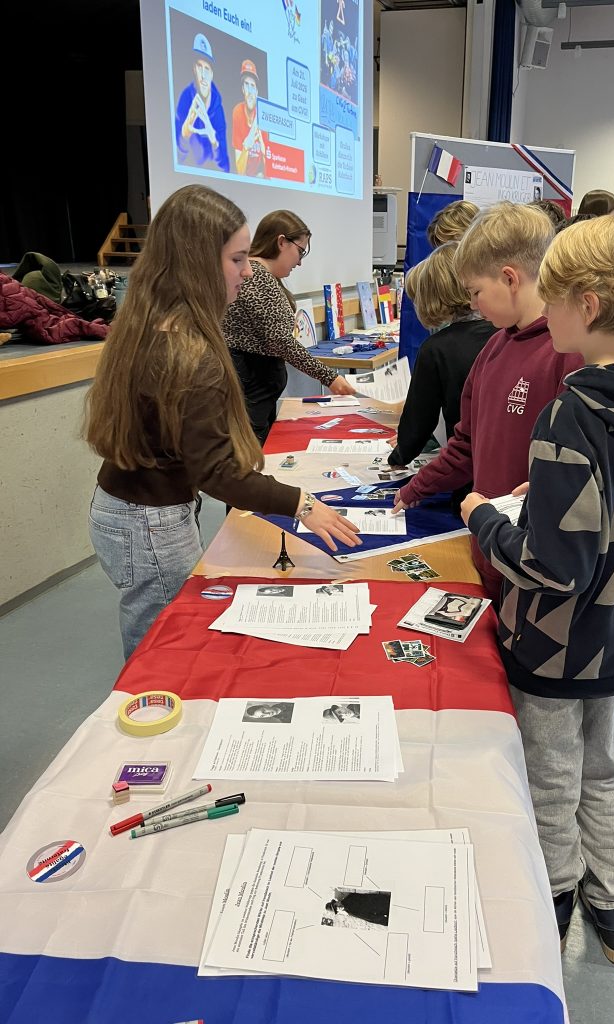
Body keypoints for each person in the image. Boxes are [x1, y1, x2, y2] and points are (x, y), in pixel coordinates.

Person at [460, 216, 614, 966]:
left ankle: (550, 914)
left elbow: (551, 567)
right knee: (604, 766)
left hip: (555, 644)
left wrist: (484, 521)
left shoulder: (571, 413)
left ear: (589, 306)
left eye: (556, 293)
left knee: (550, 780)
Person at [85, 185, 360, 660]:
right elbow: (217, 473)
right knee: (162, 643)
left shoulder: (148, 321)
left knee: (154, 625)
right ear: (198, 262)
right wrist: (302, 504)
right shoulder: (190, 354)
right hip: (150, 520)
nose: (248, 271)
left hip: (123, 506)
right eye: (237, 260)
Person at [393, 203, 583, 603]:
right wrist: (416, 488)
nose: (474, 305)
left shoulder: (566, 351)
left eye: (476, 292)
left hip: (533, 563)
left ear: (510, 278)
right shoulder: (494, 348)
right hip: (488, 545)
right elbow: (467, 441)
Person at [222, 210, 356, 445]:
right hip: (250, 390)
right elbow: (280, 341)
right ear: (281, 242)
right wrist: (330, 378)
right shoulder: (257, 277)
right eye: (300, 251)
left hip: (257, 392)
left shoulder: (265, 277)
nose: (300, 261)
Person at [387, 243, 496, 501]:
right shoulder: (504, 334)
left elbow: (419, 418)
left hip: (463, 470)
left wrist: (399, 456)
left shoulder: (437, 348)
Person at [175, 33, 229, 172]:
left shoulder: (218, 109)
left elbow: (225, 167)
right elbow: (177, 159)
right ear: (194, 69)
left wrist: (214, 141)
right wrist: (184, 136)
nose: (203, 76)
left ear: (212, 74)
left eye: (207, 68)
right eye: (200, 67)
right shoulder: (185, 99)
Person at [232, 59, 269, 178]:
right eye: (246, 85)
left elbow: (271, 174)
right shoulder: (237, 112)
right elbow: (240, 172)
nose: (250, 91)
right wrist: (246, 148)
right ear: (242, 89)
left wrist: (264, 154)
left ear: (257, 92)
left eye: (252, 86)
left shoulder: (263, 116)